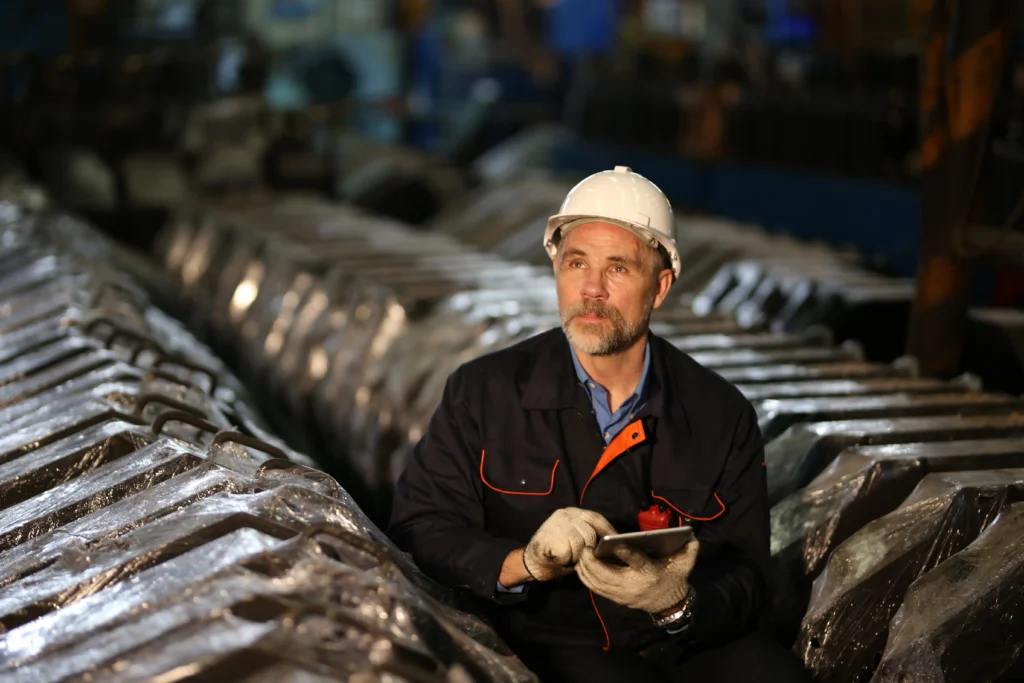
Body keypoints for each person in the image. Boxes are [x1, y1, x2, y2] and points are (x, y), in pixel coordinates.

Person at [387, 166, 811, 682]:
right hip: (548, 637)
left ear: (659, 287)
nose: (591, 289)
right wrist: (524, 562)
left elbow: (749, 573)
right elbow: (419, 528)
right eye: (576, 263)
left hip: (680, 636)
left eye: (618, 269)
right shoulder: (485, 392)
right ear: (556, 270)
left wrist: (677, 602)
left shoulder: (719, 413)